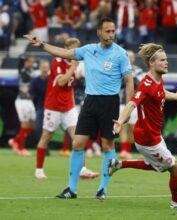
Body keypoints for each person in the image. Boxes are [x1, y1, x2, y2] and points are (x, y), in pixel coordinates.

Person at [24, 17, 134, 199]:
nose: (111, 35)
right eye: (107, 31)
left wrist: (128, 108)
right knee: (77, 143)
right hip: (90, 102)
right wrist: (42, 44)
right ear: (99, 32)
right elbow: (64, 53)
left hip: (110, 103)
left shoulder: (120, 54)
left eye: (113, 31)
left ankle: (102, 189)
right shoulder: (89, 50)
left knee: (107, 145)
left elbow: (129, 81)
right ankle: (71, 190)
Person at [109, 43, 177, 209]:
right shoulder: (145, 85)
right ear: (152, 63)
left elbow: (160, 93)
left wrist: (175, 96)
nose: (166, 63)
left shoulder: (158, 79)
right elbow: (131, 104)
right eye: (162, 60)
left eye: (166, 59)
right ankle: (176, 202)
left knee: (155, 165)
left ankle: (119, 164)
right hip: (147, 137)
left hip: (153, 134)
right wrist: (121, 121)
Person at [33, 38, 98, 180]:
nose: (75, 51)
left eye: (77, 48)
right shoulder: (58, 61)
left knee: (77, 138)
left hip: (68, 106)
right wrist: (73, 67)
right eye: (72, 48)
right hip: (53, 106)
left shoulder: (80, 64)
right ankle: (39, 169)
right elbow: (62, 81)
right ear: (66, 48)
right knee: (47, 136)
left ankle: (83, 170)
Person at [8, 54, 38, 156]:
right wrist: (28, 90)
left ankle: (15, 141)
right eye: (30, 61)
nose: (32, 63)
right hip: (22, 101)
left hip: (29, 101)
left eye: (32, 61)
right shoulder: (23, 71)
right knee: (24, 124)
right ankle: (21, 148)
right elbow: (25, 88)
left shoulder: (32, 70)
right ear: (25, 62)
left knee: (33, 126)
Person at [118, 50, 144, 159]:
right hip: (122, 102)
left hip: (136, 103)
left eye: (131, 56)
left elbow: (142, 84)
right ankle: (123, 150)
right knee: (123, 127)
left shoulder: (138, 70)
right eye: (127, 56)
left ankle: (128, 150)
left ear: (134, 59)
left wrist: (131, 78)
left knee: (134, 129)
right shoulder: (119, 70)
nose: (129, 58)